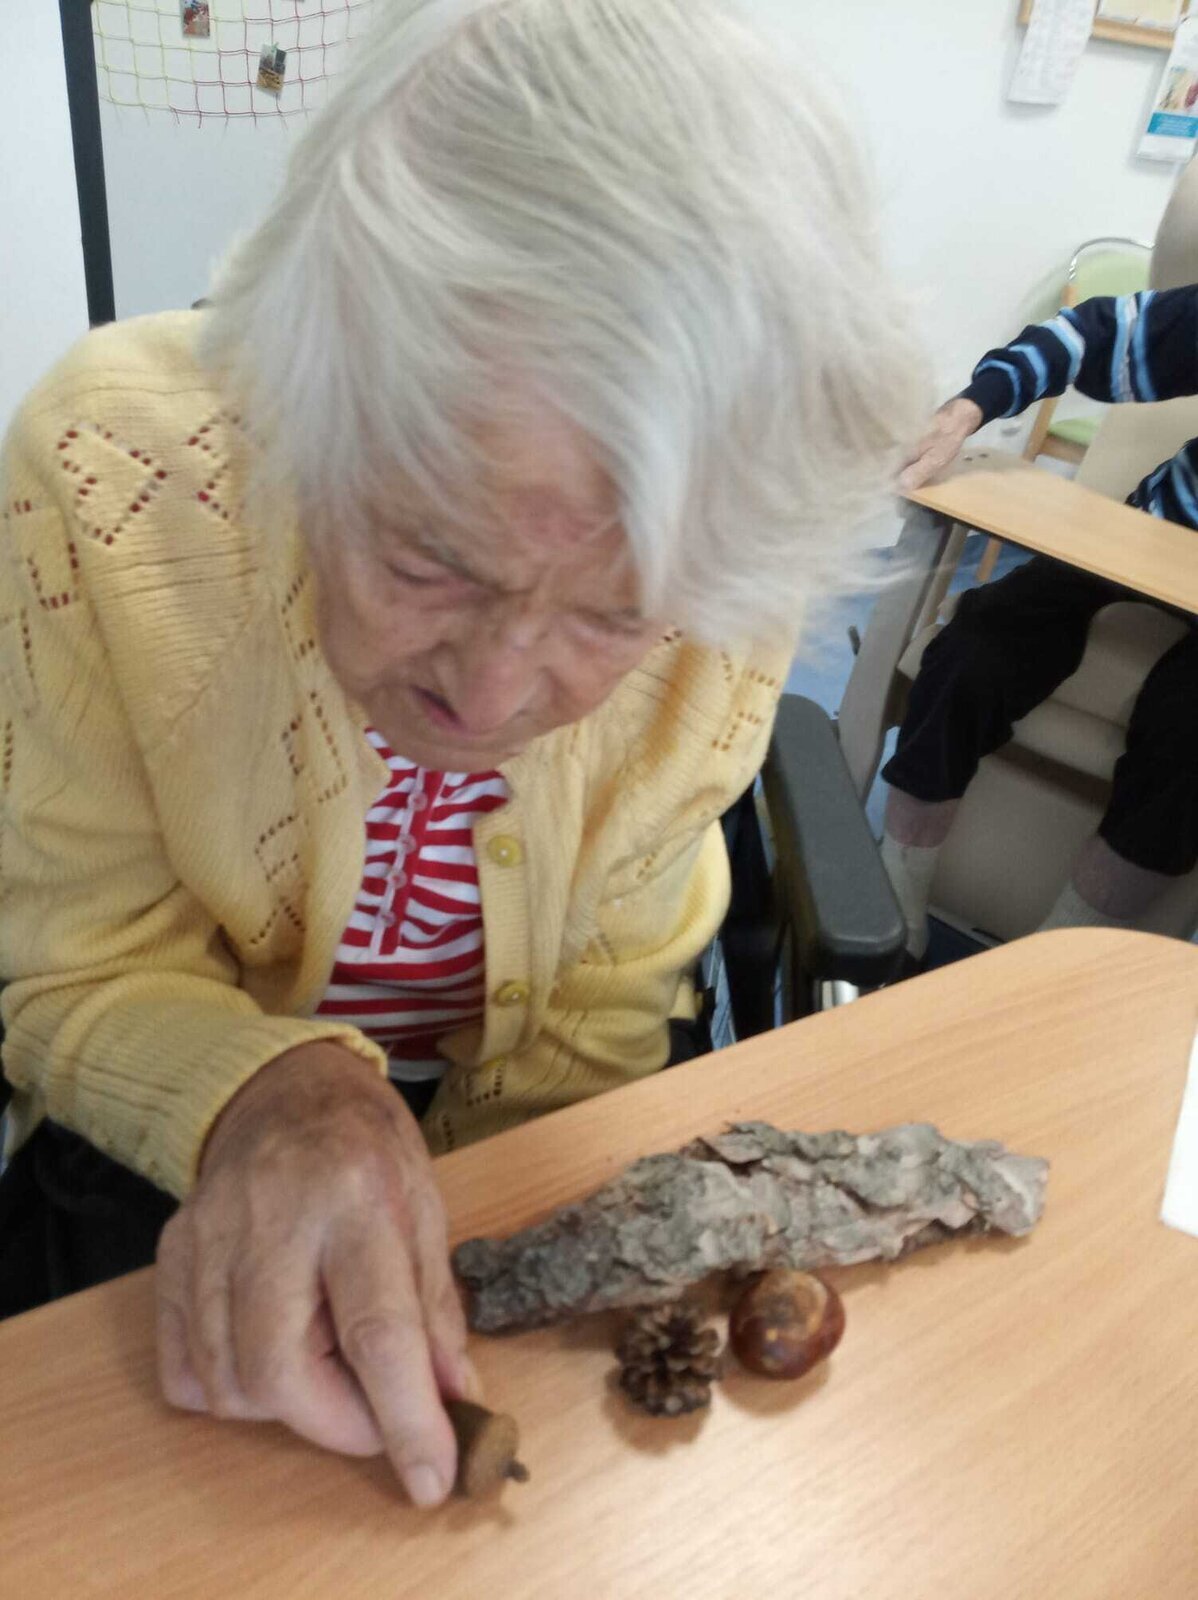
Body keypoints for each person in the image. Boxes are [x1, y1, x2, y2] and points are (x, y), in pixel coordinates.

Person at [0, 0, 923, 1507]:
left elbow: (609, 1001)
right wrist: (275, 1099)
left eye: (611, 615)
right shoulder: (109, 479)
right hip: (170, 1113)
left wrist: (504, 1235)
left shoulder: (721, 554)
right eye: (427, 558)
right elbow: (70, 970)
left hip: (553, 1117)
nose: (494, 696)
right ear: (291, 410)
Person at [886, 286, 1198, 961]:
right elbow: (1090, 335)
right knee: (976, 646)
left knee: (1190, 741)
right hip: (1159, 536)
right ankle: (895, 903)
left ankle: (1053, 964)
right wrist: (967, 409)